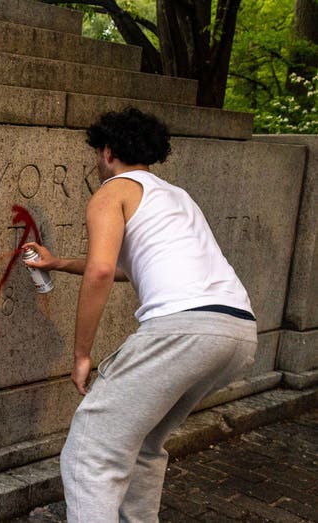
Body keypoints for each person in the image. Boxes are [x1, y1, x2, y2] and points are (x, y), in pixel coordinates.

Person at [23, 107, 257, 522]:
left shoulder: (112, 192)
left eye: (97, 153)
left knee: (91, 451)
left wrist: (82, 354)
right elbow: (121, 268)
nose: (96, 163)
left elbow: (98, 272)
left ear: (108, 151)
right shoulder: (174, 197)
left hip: (182, 330)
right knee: (145, 444)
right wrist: (57, 263)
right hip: (236, 331)